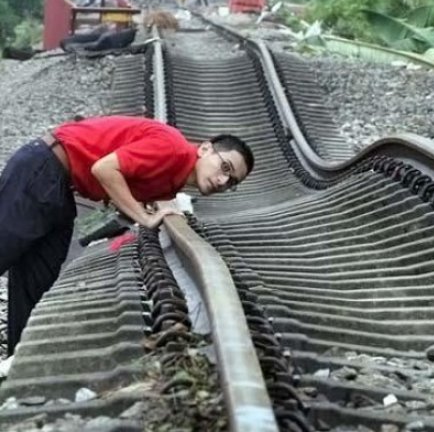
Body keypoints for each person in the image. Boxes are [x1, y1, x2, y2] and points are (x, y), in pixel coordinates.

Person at [0, 115, 254, 357]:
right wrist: (144, 218)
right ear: (205, 149)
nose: (222, 181)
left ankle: (13, 369)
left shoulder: (174, 176)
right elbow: (104, 169)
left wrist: (162, 206)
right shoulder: (173, 149)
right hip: (43, 169)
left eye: (231, 181)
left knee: (35, 284)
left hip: (60, 184)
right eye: (225, 167)